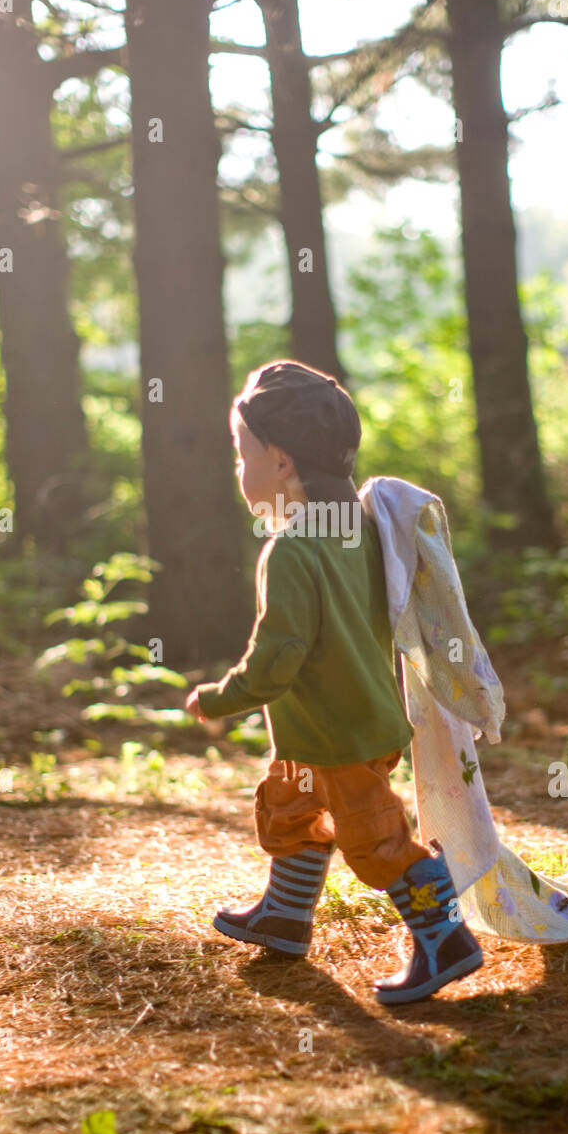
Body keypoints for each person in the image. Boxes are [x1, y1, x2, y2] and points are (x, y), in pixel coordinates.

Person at [184, 360, 482, 1004]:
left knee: (378, 843)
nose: (239, 470)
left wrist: (218, 698)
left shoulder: (291, 548)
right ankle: (285, 917)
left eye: (242, 454)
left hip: (342, 739)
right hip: (320, 735)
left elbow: (277, 658)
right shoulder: (364, 532)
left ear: (282, 463)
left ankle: (446, 938)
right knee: (289, 810)